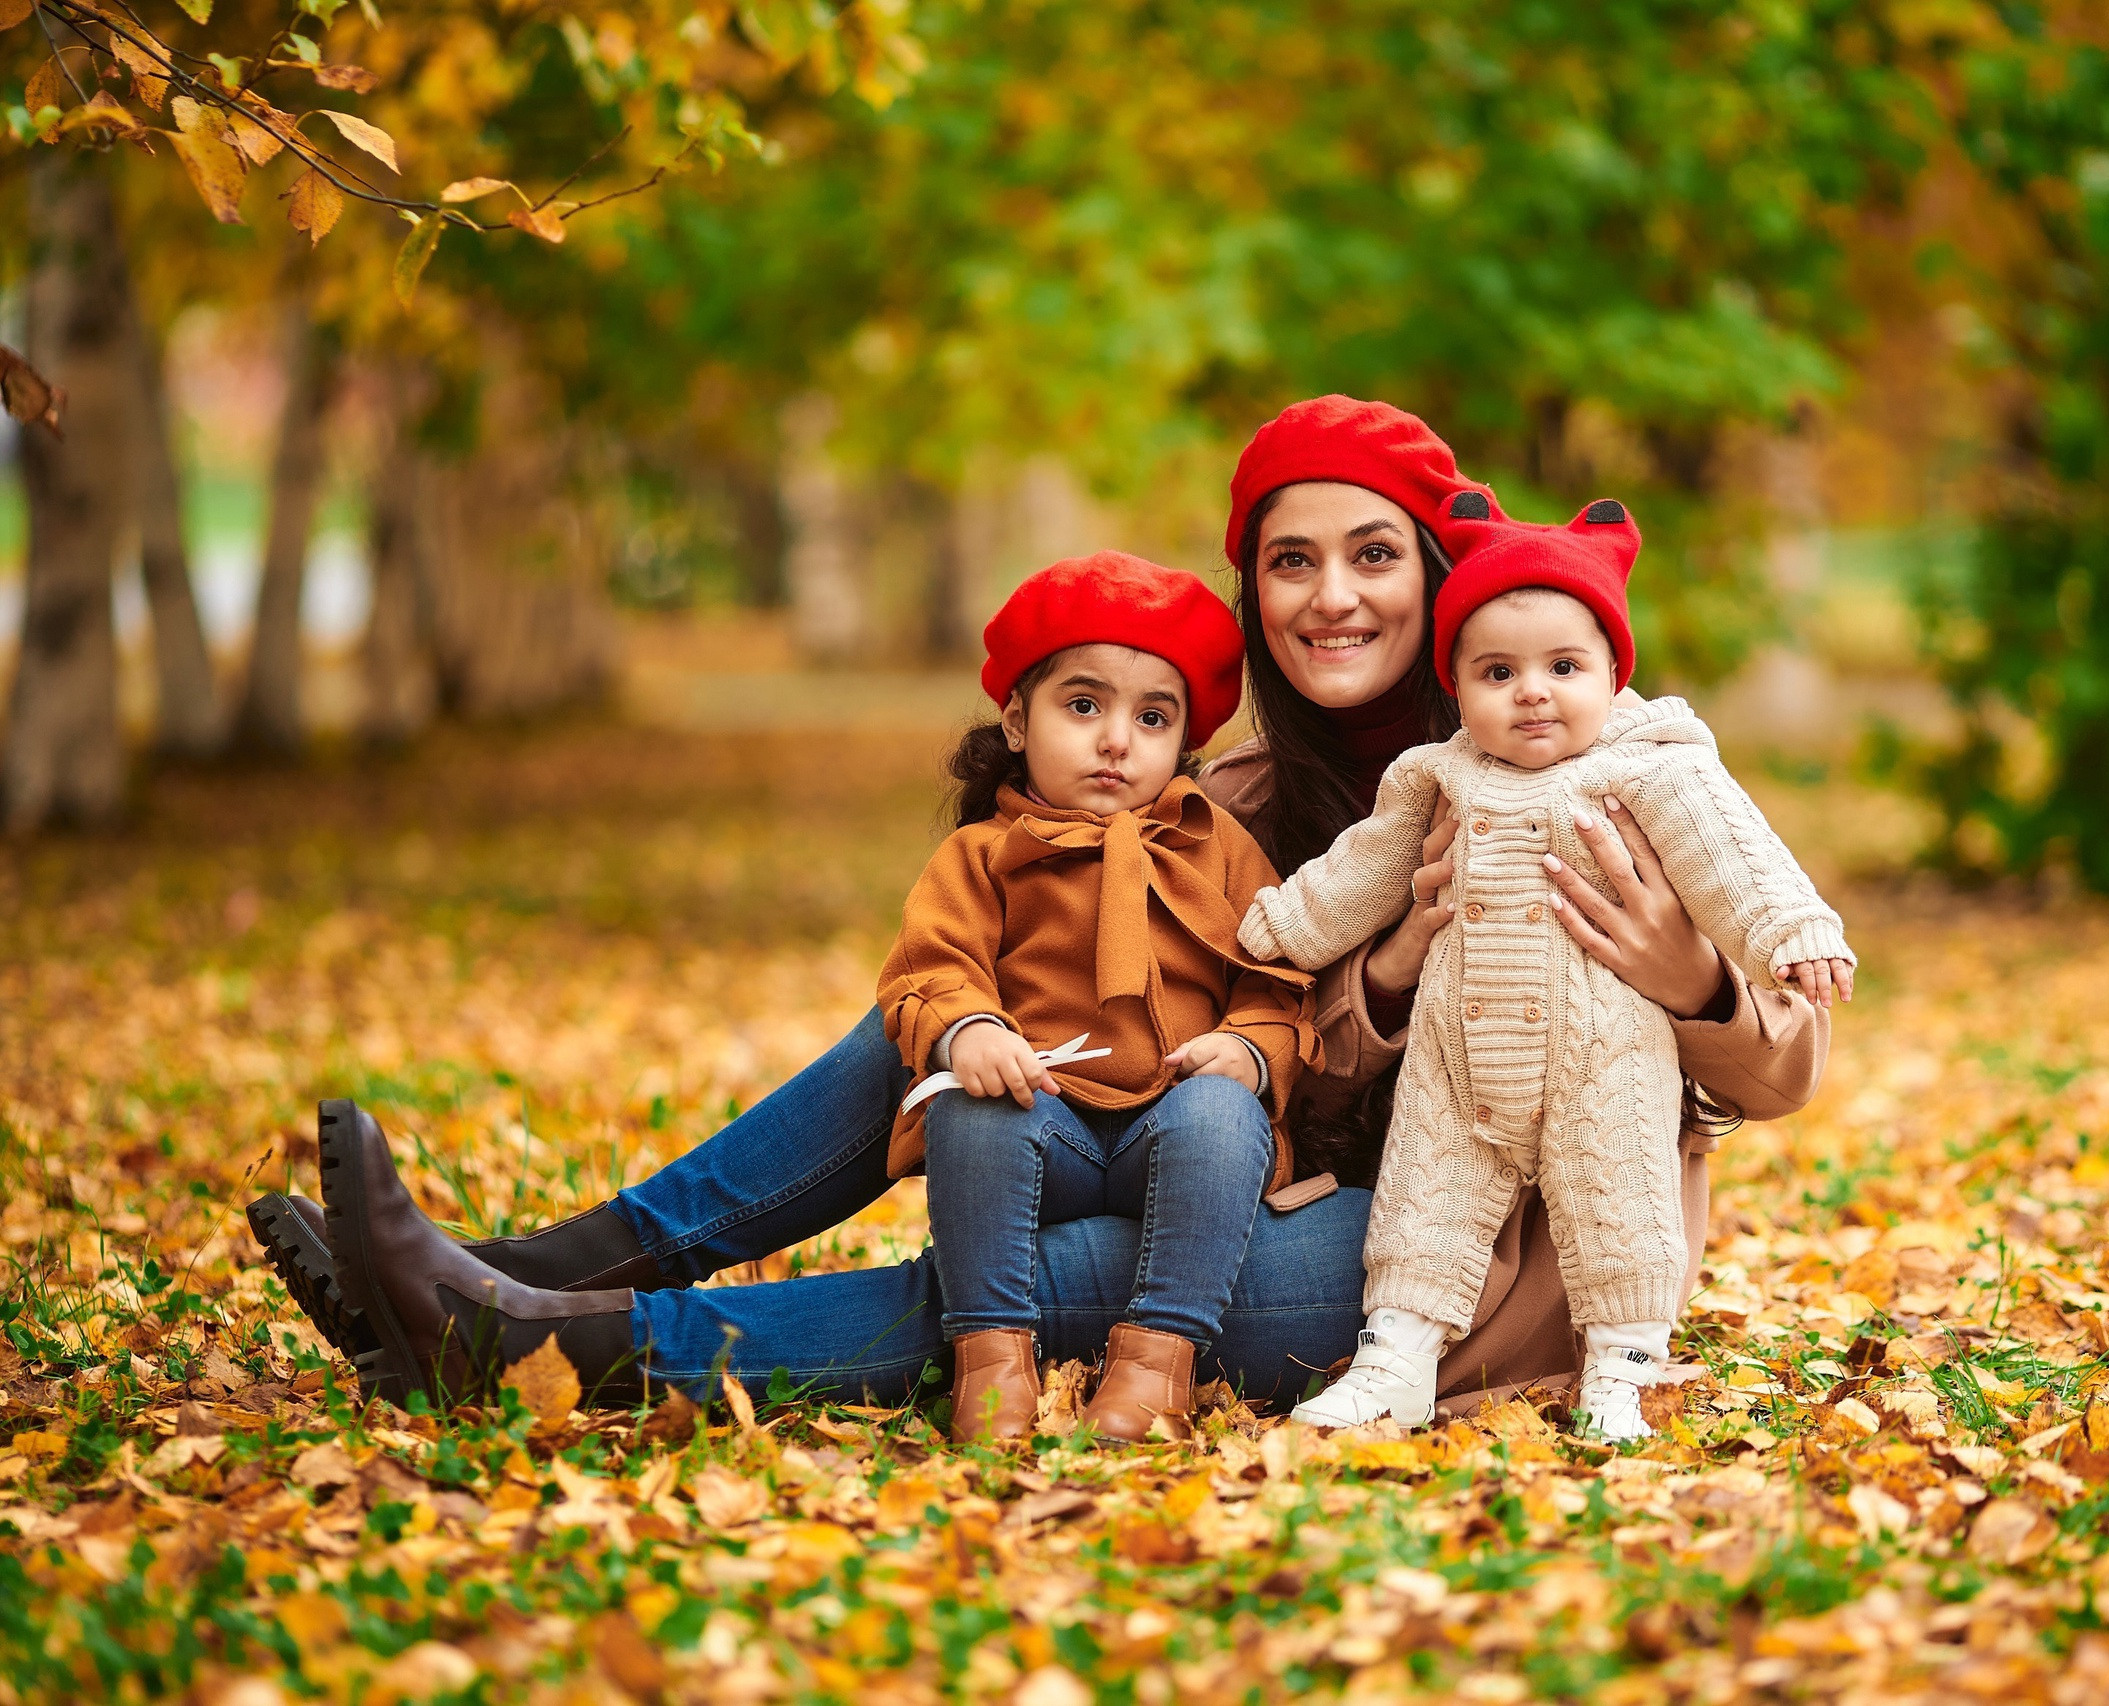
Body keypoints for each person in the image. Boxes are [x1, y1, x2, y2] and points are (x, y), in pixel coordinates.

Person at [249, 395, 1833, 1424]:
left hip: (1458, 1258)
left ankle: (548, 1343)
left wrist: (1693, 973)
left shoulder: (1579, 727)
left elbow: (1786, 1052)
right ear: (1254, 596)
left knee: (1073, 1260)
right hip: (1240, 1157)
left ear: (1443, 573)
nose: (1332, 594)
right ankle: (532, 1267)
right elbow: (1259, 1032)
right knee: (963, 1025)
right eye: (1290, 561)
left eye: (1372, 556)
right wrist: (1377, 969)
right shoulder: (1238, 804)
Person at [1241, 495, 1853, 1441]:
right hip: (1456, 1055)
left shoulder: (1649, 771)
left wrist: (1787, 933)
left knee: (1621, 1200)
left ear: (1614, 675)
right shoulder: (1435, 775)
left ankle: (1628, 1366)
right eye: (1499, 673)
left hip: (1599, 1054)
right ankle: (1395, 1360)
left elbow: (1735, 856)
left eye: (1564, 669)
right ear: (1460, 686)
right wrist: (1284, 926)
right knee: (1421, 1200)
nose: (1532, 691)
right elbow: (1362, 870)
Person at [882, 553, 1314, 1442]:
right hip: (1051, 1130)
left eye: (1152, 718)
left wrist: (1248, 1049)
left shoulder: (1217, 848)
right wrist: (967, 1030)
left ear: (1183, 738)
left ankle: (1158, 1363)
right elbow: (930, 965)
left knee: (1224, 1113)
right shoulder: (984, 854)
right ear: (1015, 717)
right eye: (1084, 707)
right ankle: (990, 1361)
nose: (1118, 740)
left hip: (1174, 1131)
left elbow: (1277, 979)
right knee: (975, 1108)